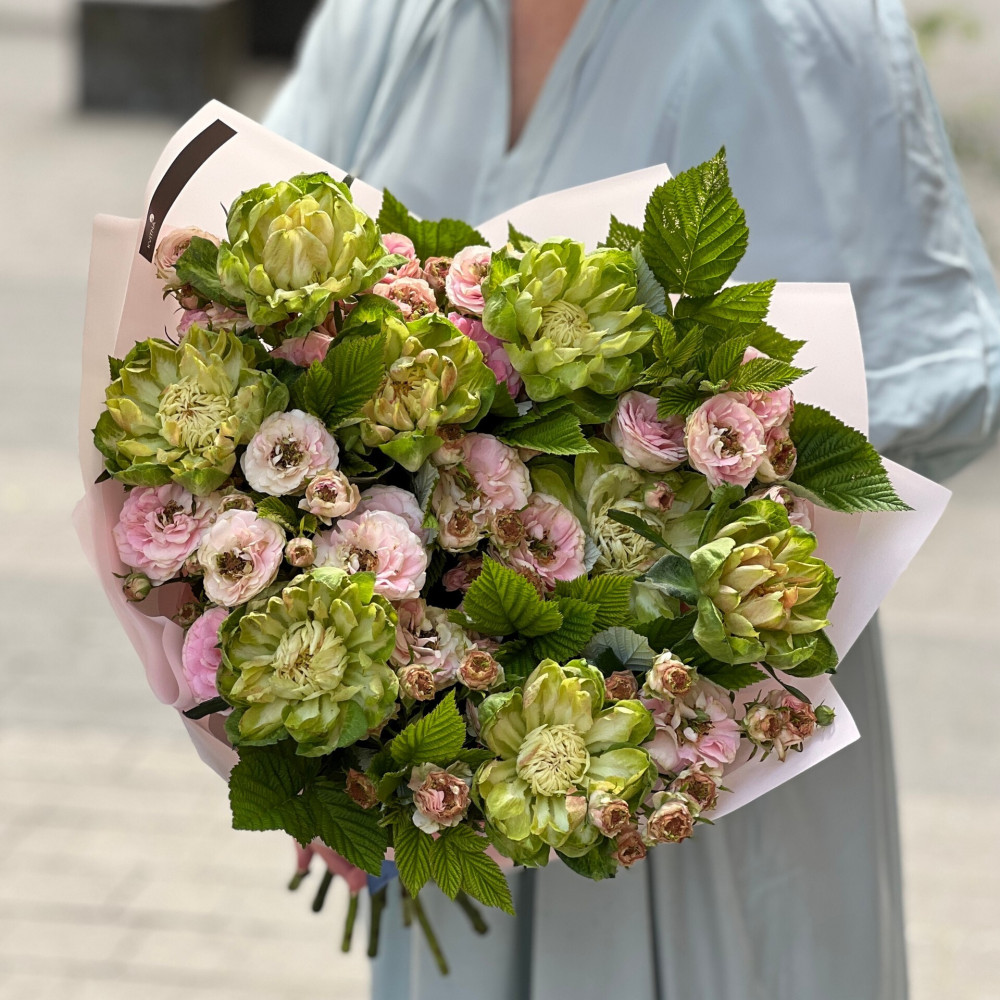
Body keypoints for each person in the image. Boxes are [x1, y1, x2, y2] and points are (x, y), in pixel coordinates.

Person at [265, 2, 1000, 997]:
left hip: (716, 763)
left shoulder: (796, 25)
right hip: (448, 779)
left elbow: (935, 370)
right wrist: (322, 736)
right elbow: (267, 327)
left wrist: (693, 489)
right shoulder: (384, 21)